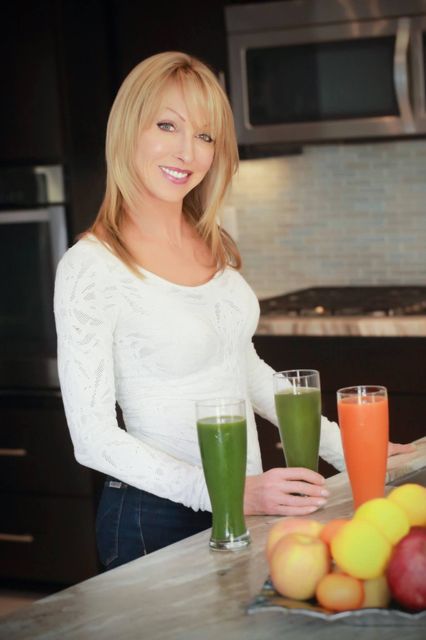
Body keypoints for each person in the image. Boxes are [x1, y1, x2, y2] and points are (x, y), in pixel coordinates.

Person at [54, 51, 412, 571]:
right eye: (167, 125)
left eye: (205, 135)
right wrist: (226, 492)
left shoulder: (211, 245)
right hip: (157, 519)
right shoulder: (90, 267)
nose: (188, 152)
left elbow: (243, 370)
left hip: (241, 504)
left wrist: (348, 449)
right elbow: (93, 440)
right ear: (128, 129)